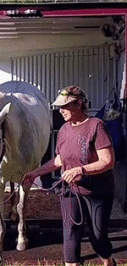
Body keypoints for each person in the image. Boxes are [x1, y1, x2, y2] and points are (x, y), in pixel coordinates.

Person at [22, 85, 116, 266]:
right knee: (70, 235)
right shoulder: (64, 130)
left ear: (79, 104)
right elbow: (59, 160)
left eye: (65, 106)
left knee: (98, 238)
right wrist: (35, 173)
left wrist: (81, 170)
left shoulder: (96, 126)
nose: (61, 110)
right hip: (71, 191)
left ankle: (108, 261)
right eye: (59, 107)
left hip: (97, 192)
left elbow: (107, 161)